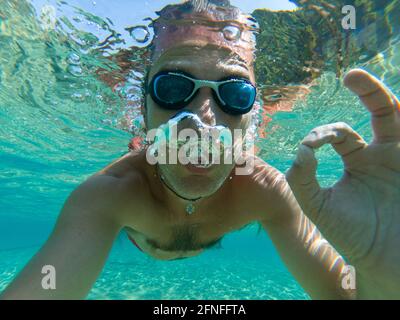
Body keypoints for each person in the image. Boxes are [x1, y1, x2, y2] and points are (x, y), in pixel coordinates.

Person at [1, 1, 399, 300]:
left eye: (235, 94)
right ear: (143, 110)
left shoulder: (265, 188)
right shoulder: (111, 193)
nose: (202, 120)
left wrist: (381, 271)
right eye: (173, 88)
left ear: (254, 116)